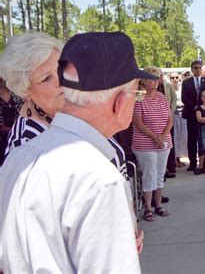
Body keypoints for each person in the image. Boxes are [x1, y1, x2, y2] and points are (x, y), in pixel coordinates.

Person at [0, 32, 156, 272]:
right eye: (136, 94)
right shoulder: (97, 180)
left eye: (59, 75)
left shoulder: (21, 156)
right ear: (120, 102)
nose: (60, 85)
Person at [132, 68, 173, 222]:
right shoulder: (139, 97)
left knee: (160, 175)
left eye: (157, 79)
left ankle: (158, 205)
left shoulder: (162, 97)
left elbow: (170, 119)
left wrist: (161, 137)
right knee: (149, 175)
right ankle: (148, 208)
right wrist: (154, 137)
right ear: (143, 81)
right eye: (152, 79)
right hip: (144, 144)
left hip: (163, 142)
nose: (155, 82)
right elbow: (138, 123)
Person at [181, 60, 205, 172]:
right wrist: (195, 108)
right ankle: (193, 163)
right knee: (192, 139)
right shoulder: (186, 83)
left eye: (200, 68)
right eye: (195, 68)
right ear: (192, 69)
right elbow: (184, 98)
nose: (198, 70)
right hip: (191, 114)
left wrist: (203, 108)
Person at [170, 71, 187, 167]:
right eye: (172, 78)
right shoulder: (169, 88)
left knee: (182, 137)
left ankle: (179, 157)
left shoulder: (182, 87)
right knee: (175, 137)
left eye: (176, 77)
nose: (175, 79)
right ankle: (175, 159)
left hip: (183, 114)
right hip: (174, 115)